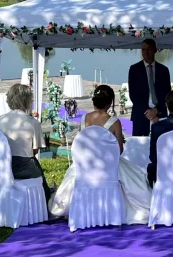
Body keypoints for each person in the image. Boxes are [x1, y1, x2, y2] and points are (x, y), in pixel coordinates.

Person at [48, 84, 152, 224]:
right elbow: (119, 151)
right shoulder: (114, 122)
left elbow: (81, 144)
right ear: (110, 103)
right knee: (137, 180)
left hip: (85, 166)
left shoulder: (84, 119)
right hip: (108, 167)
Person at [0, 83, 52, 198]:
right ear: (27, 101)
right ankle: (46, 197)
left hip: (4, 167)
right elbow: (35, 150)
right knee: (35, 165)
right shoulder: (32, 122)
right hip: (25, 168)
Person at [127, 38, 172, 137]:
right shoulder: (134, 69)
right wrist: (148, 113)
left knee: (160, 147)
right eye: (143, 50)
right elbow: (133, 95)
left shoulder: (164, 70)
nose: (146, 52)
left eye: (149, 49)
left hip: (160, 116)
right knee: (140, 148)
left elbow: (167, 94)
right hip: (141, 116)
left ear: (155, 50)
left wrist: (156, 111)